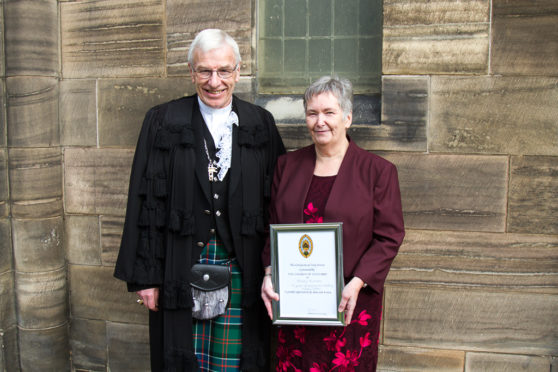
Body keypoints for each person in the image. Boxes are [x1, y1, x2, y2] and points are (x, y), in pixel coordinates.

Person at [114, 29, 285, 371]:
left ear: (238, 72)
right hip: (177, 263)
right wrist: (146, 277)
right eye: (204, 71)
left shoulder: (259, 123)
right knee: (182, 357)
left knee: (236, 360)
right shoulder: (162, 121)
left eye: (224, 70)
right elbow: (142, 198)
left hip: (244, 264)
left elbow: (279, 200)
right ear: (191, 72)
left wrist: (278, 269)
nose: (214, 81)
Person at [261, 76, 405, 371]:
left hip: (350, 302)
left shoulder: (378, 172)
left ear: (348, 117)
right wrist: (268, 272)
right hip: (297, 305)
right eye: (312, 113)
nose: (320, 121)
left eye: (329, 112)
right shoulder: (286, 166)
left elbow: (389, 236)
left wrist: (358, 281)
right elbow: (272, 227)